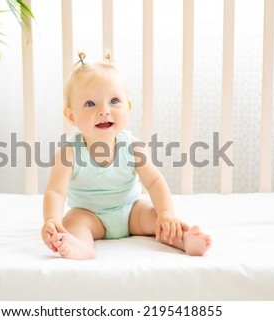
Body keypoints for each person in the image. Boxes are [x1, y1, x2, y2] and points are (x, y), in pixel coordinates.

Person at [41, 53, 211, 260]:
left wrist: (166, 212)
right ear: (72, 116)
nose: (104, 111)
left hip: (132, 212)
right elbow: (56, 192)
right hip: (90, 215)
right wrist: (51, 219)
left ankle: (185, 240)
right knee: (71, 222)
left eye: (114, 101)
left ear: (128, 108)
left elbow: (155, 181)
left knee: (159, 219)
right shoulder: (68, 152)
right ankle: (81, 247)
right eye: (90, 104)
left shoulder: (132, 146)